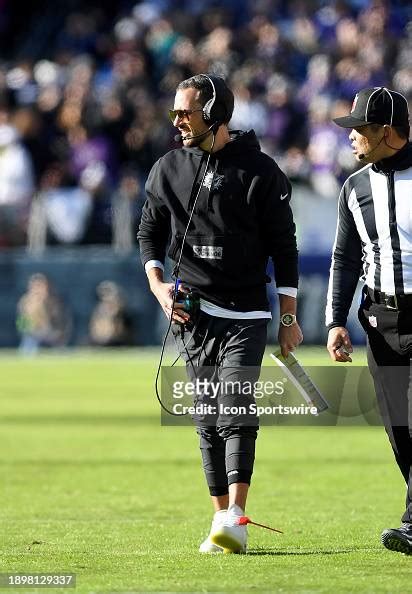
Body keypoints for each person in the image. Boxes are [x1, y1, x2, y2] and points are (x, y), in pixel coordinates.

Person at [138, 73, 302, 554]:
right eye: (174, 112)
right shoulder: (167, 167)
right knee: (206, 417)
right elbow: (149, 232)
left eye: (185, 112)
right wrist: (157, 285)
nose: (177, 121)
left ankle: (237, 513)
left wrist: (289, 317)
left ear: (213, 114)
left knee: (234, 406)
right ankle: (220, 521)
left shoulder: (261, 171)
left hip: (246, 312)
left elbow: (284, 248)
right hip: (192, 311)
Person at [326, 87, 412, 555]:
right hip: (380, 320)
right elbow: (344, 259)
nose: (353, 136)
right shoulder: (354, 186)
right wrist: (336, 321)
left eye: (361, 128)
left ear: (387, 131)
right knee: (399, 429)